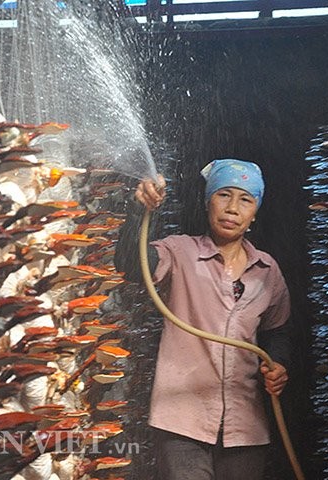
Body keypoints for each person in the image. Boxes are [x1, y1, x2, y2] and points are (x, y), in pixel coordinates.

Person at [115, 159, 292, 480]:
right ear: (208, 200)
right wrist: (140, 210)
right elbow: (130, 262)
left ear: (255, 212)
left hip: (246, 426)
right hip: (182, 420)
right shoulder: (180, 252)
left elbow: (278, 330)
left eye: (245, 200)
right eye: (224, 195)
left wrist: (278, 363)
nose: (233, 208)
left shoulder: (268, 270)